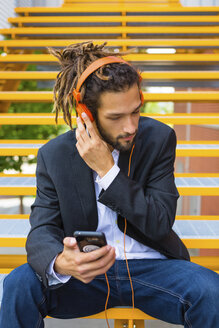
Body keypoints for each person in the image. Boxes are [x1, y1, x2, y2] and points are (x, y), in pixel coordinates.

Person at [0, 41, 218, 328]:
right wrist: (60, 263)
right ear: (86, 115)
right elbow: (42, 229)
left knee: (211, 291)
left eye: (136, 111)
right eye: (116, 117)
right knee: (19, 285)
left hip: (152, 268)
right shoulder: (54, 155)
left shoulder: (159, 139)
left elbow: (159, 222)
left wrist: (107, 169)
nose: (131, 126)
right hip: (85, 276)